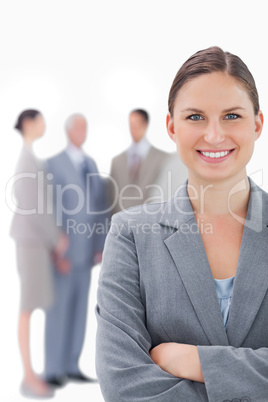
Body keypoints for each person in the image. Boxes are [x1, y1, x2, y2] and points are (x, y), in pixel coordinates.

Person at [95, 47, 268, 401]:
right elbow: (122, 383)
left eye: (232, 116)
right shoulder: (131, 234)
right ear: (172, 126)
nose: (215, 135)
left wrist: (195, 360)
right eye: (195, 117)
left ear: (257, 124)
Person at [44, 113, 107, 387]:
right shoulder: (53, 164)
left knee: (81, 310)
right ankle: (52, 369)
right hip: (63, 253)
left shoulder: (90, 163)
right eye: (78, 128)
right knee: (58, 311)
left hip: (86, 252)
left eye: (85, 127)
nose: (82, 132)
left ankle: (71, 365)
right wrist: (54, 247)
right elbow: (47, 208)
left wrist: (100, 245)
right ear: (68, 131)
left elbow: (100, 206)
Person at [10, 109, 68, 399]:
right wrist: (55, 237)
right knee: (27, 308)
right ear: (29, 123)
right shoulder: (26, 159)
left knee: (30, 307)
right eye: (41, 120)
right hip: (31, 242)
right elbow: (34, 206)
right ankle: (29, 376)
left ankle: (31, 374)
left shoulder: (31, 157)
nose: (45, 125)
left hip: (35, 242)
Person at [109, 109, 174, 215]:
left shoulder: (163, 159)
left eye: (137, 124)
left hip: (151, 222)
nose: (133, 129)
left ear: (145, 125)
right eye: (131, 125)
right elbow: (111, 197)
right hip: (121, 224)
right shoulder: (117, 161)